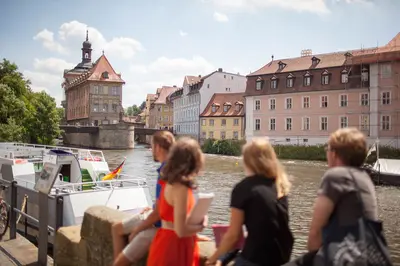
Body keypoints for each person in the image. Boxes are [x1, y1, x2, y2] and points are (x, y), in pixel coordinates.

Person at [284, 127, 378, 265]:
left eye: (327, 149)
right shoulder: (365, 179)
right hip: (367, 256)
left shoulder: (335, 176)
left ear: (334, 154)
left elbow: (315, 235)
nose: (327, 153)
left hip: (343, 257)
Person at [206, 138, 293, 266]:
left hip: (255, 259)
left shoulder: (244, 188)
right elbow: (272, 227)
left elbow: (233, 236)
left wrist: (213, 259)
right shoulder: (280, 186)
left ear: (247, 161)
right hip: (280, 258)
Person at [112, 130, 175, 266]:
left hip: (160, 226)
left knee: (116, 228)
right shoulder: (177, 169)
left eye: (152, 146)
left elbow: (158, 213)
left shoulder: (165, 172)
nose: (152, 150)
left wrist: (138, 229)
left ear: (158, 147)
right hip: (165, 223)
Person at [147, 137, 207, 266]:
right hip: (174, 248)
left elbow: (173, 217)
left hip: (165, 242)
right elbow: (180, 230)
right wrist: (200, 226)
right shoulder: (181, 188)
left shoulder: (168, 182)